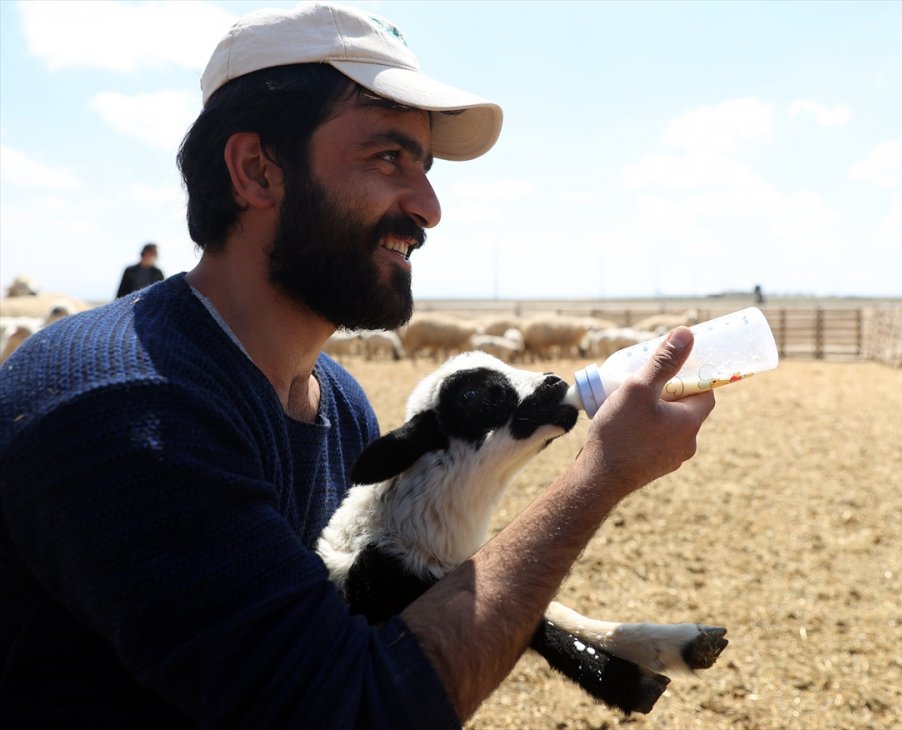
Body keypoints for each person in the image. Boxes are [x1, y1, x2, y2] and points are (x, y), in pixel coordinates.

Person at [0, 4, 715, 728]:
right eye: (387, 158)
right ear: (257, 172)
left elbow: (369, 629)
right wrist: (600, 476)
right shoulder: (128, 407)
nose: (429, 207)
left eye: (425, 167)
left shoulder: (335, 400)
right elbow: (352, 708)